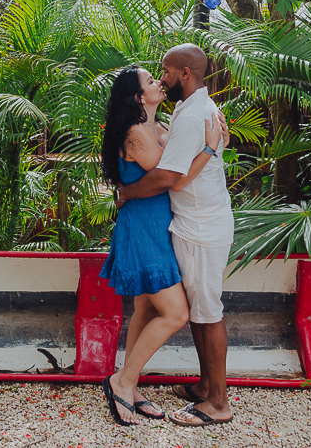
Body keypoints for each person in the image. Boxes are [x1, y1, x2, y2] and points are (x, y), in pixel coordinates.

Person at [98, 65, 224, 426]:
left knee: (146, 311)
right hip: (143, 231)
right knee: (176, 314)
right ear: (139, 97)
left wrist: (217, 137)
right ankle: (120, 382)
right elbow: (172, 177)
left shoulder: (157, 128)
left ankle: (131, 385)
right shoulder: (137, 133)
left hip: (157, 228)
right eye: (150, 81)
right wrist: (210, 149)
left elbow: (179, 149)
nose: (159, 82)